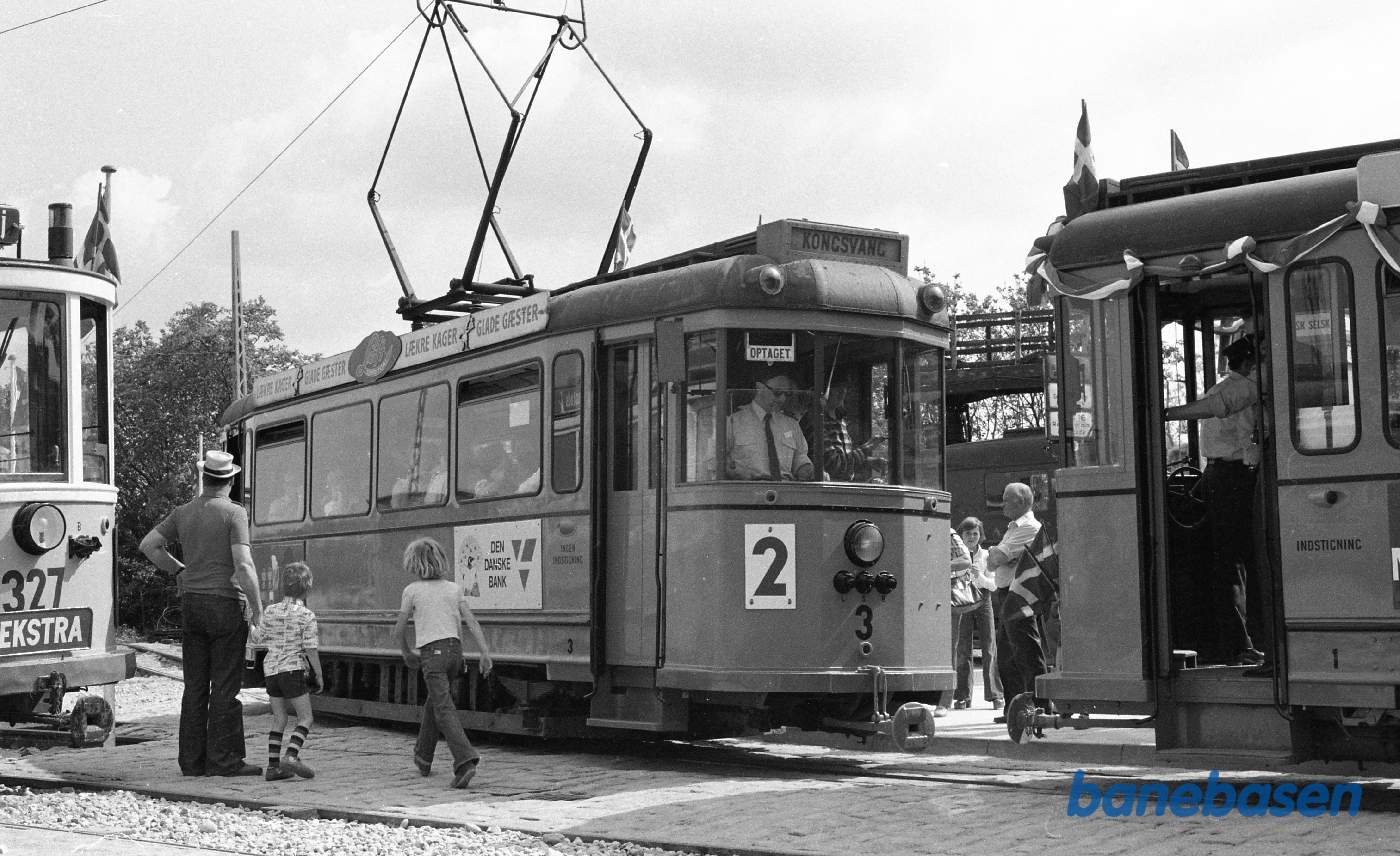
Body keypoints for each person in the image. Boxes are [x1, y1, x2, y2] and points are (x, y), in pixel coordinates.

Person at [140, 450, 264, 777]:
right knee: (225, 686)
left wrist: (179, 571)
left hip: (192, 605)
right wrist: (257, 608)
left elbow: (149, 545)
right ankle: (225, 761)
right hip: (225, 604)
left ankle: (192, 762)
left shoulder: (183, 512)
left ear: (204, 477)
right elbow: (244, 563)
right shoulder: (234, 514)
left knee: (195, 685)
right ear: (231, 480)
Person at [1164, 335, 1267, 671]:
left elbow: (1221, 409)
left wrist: (1166, 413)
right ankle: (1242, 643)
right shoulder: (1242, 387)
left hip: (1231, 476)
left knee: (1236, 561)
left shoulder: (1242, 388)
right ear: (1251, 363)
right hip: (1229, 476)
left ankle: (1246, 642)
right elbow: (1220, 407)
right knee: (1234, 561)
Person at [393, 537, 495, 789]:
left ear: (414, 564)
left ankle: (465, 761)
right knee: (435, 702)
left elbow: (398, 629)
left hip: (432, 654)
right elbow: (472, 622)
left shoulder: (412, 590)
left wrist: (406, 651)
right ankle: (423, 756)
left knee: (444, 708)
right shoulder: (453, 588)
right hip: (455, 653)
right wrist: (485, 653)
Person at [987, 482, 1047, 722]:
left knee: (1026, 651)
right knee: (1008, 656)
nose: (1001, 504)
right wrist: (999, 556)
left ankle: (1040, 706)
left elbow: (997, 557)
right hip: (1006, 595)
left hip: (1018, 596)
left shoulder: (1029, 527)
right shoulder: (1014, 528)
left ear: (1021, 502)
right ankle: (1015, 709)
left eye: (1006, 499)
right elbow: (993, 561)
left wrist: (999, 555)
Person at [259, 561, 322, 781]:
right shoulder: (307, 615)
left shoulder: (269, 611)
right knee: (305, 718)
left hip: (271, 671)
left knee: (279, 719)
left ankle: (273, 768)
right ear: (307, 587)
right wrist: (319, 674)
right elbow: (310, 648)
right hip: (293, 670)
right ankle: (292, 755)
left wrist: (250, 623)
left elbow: (259, 638)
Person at [952, 517, 1002, 711]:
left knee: (989, 647)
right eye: (967, 534)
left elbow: (993, 585)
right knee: (963, 648)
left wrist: (978, 576)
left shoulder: (986, 555)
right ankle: (963, 696)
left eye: (975, 533)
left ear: (980, 535)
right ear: (961, 536)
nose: (972, 537)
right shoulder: (956, 556)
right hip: (962, 601)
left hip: (983, 601)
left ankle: (996, 695)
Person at [726, 371, 815, 481]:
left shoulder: (791, 425)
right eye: (777, 393)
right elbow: (716, 461)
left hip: (786, 490)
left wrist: (805, 468)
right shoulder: (733, 422)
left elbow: (800, 457)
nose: (783, 399)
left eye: (787, 394)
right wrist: (736, 472)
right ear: (759, 388)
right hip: (748, 490)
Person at [821, 381, 885, 482]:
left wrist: (868, 461)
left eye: (844, 388)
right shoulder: (817, 423)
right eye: (837, 388)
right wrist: (867, 448)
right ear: (825, 392)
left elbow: (846, 460)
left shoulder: (841, 422)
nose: (842, 392)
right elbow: (835, 465)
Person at [392, 435, 448, 507]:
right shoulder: (401, 485)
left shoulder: (443, 480)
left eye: (422, 456)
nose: (417, 462)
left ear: (433, 459)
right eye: (414, 457)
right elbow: (397, 513)